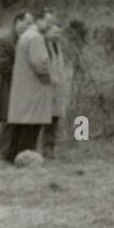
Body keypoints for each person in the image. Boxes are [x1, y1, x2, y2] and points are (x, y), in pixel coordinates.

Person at [5, 8, 55, 160]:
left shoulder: (26, 36)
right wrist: (49, 78)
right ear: (39, 20)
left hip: (25, 90)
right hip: (34, 89)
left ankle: (18, 157)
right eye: (48, 22)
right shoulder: (35, 37)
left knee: (25, 126)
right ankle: (26, 160)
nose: (50, 25)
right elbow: (40, 64)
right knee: (31, 127)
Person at [0, 11, 32, 160]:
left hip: (25, 90)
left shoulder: (28, 41)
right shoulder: (5, 41)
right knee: (8, 122)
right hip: (10, 88)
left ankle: (16, 155)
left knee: (22, 123)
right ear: (18, 22)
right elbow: (3, 67)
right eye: (28, 23)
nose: (30, 27)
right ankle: (2, 155)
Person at [39, 19, 68, 158]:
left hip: (57, 89)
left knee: (54, 119)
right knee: (44, 119)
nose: (57, 35)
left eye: (59, 33)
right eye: (54, 32)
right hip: (45, 88)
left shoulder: (57, 47)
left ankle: (49, 148)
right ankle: (42, 148)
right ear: (47, 31)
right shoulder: (41, 45)